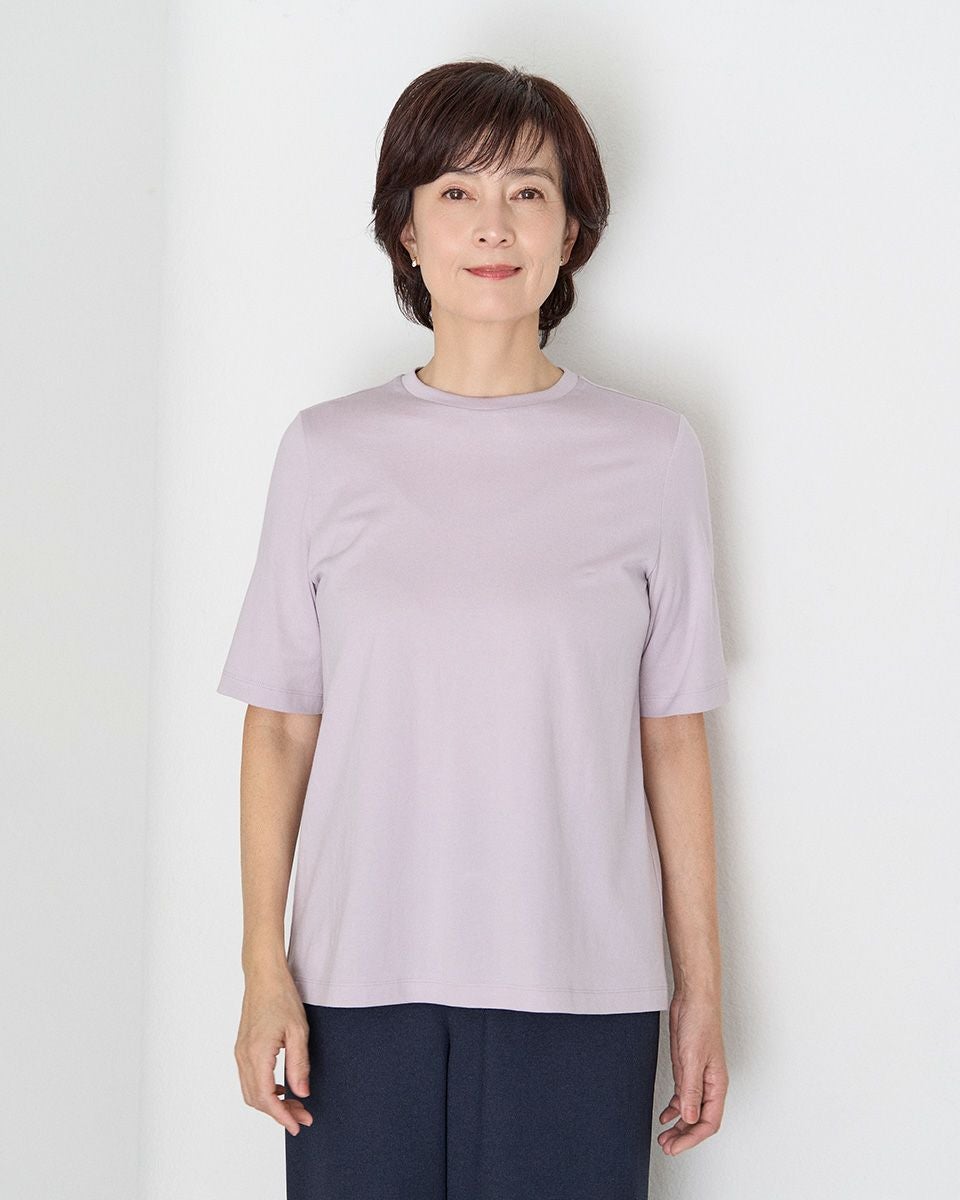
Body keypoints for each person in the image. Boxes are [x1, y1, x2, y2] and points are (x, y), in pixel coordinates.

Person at [217, 58, 731, 1200]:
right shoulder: (326, 450)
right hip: (354, 986)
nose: (493, 226)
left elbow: (672, 734)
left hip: (581, 986)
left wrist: (701, 991)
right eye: (456, 191)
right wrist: (263, 969)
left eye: (527, 192)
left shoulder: (652, 454)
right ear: (407, 230)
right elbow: (281, 727)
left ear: (570, 232)